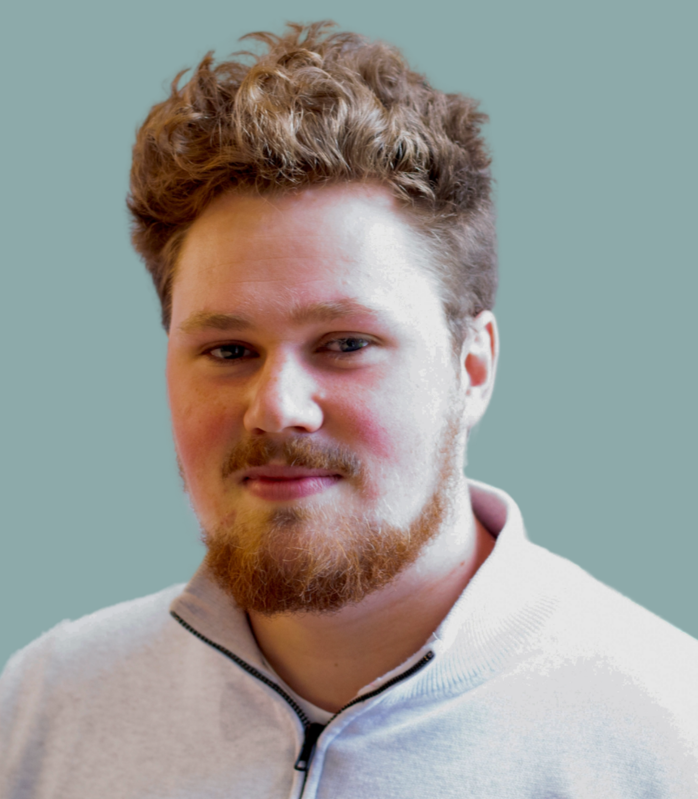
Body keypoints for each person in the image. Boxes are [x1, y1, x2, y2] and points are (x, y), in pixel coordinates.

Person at [1, 21, 696, 798]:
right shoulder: (41, 714)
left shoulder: (668, 734)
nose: (277, 408)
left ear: (473, 367)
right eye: (229, 350)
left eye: (345, 343)